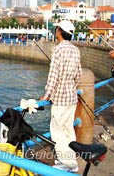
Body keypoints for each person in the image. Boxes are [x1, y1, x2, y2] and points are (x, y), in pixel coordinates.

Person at [41, 20, 82, 172]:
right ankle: (71, 162)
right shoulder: (75, 50)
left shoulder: (58, 50)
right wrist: (71, 86)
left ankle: (66, 164)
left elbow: (53, 75)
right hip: (71, 97)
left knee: (57, 133)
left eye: (56, 28)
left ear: (59, 31)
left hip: (59, 98)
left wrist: (46, 95)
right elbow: (78, 74)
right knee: (68, 130)